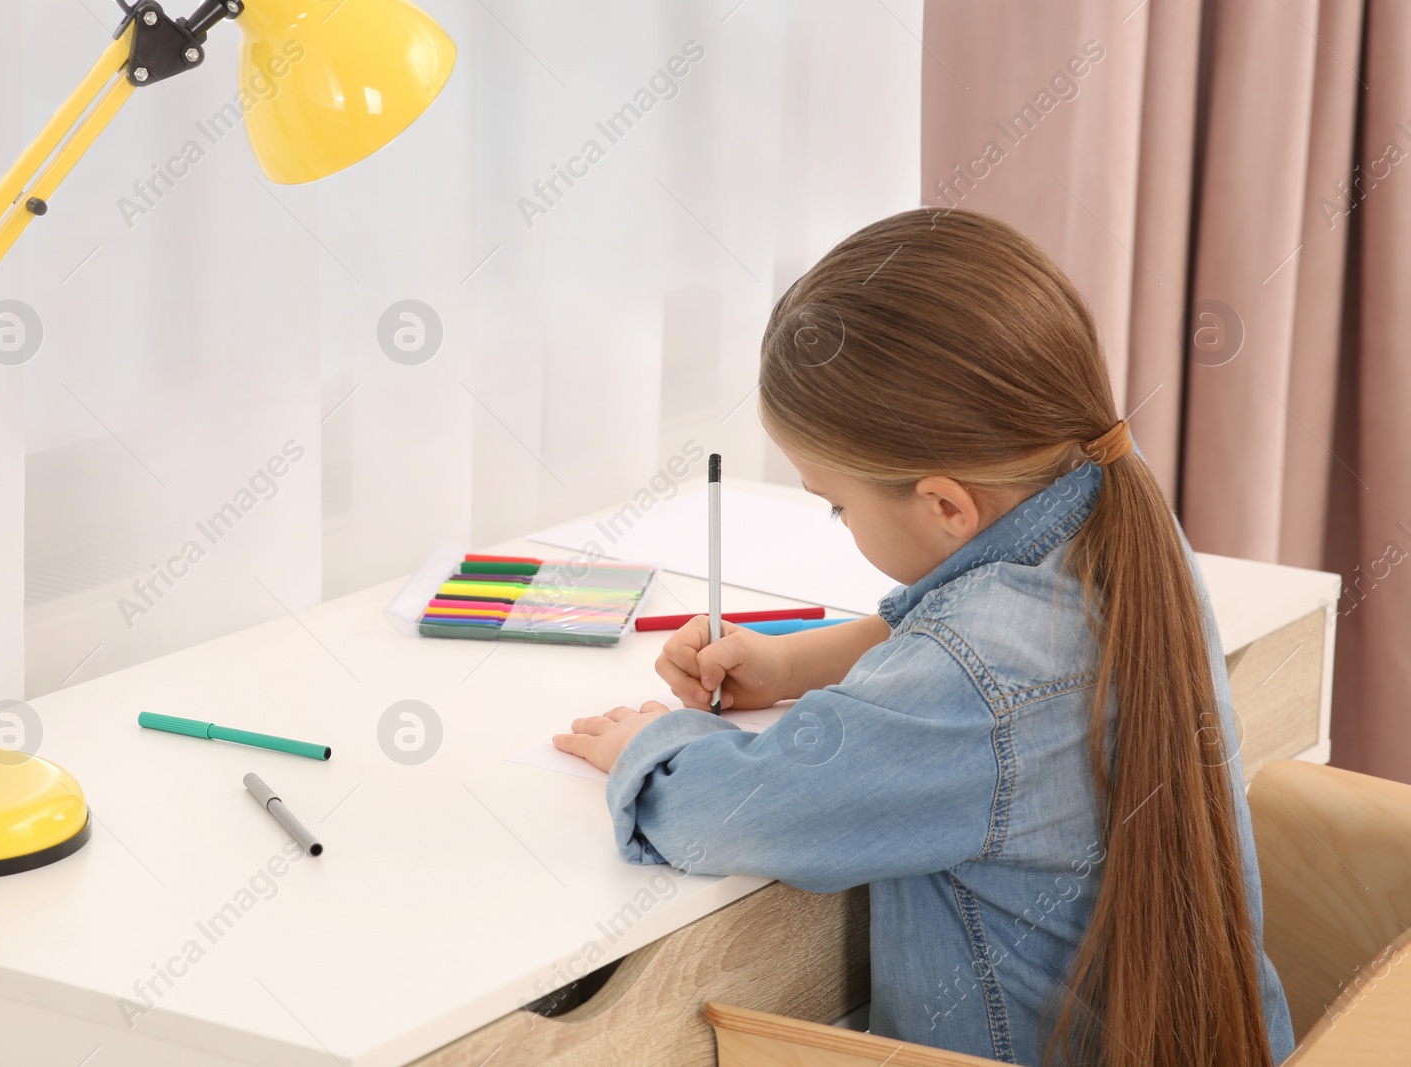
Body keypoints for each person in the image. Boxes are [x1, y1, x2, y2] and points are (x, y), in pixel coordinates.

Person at [553, 209, 1296, 1066]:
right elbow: (973, 628)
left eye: (837, 504)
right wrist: (796, 661)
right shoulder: (1115, 504)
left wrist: (648, 743)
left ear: (945, 505)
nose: (837, 520)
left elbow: (729, 813)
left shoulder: (971, 684)